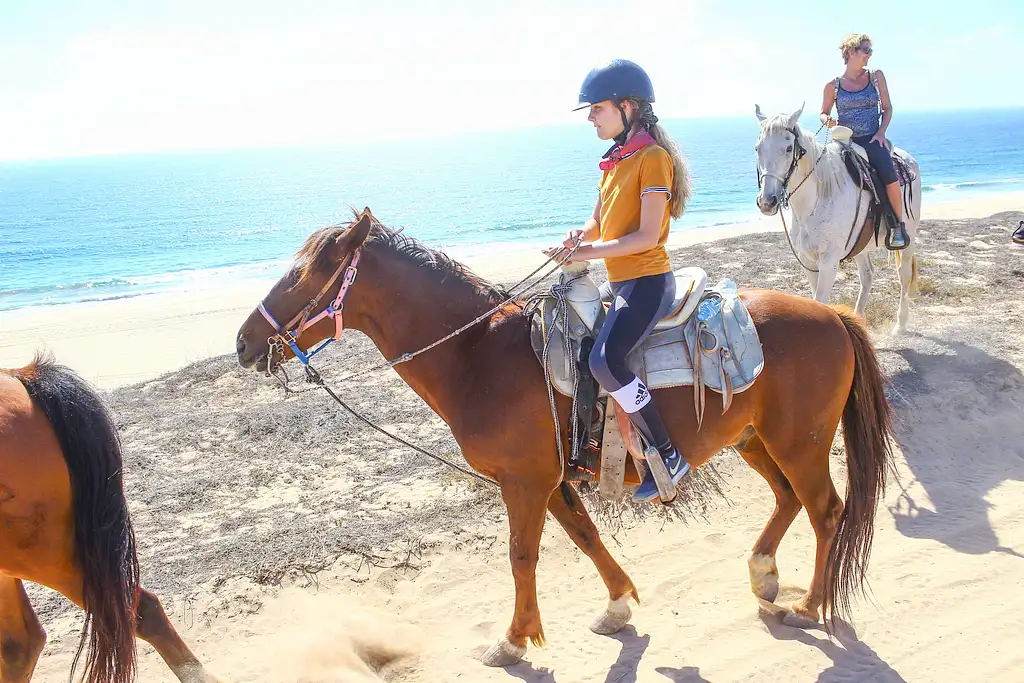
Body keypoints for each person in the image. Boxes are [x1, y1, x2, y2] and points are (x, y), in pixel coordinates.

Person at [544, 59, 692, 502]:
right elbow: (597, 223)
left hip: (646, 281)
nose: (591, 117)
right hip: (621, 280)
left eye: (596, 109)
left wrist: (586, 254)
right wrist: (577, 238)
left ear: (627, 107)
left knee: (605, 362)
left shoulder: (653, 159)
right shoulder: (615, 161)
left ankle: (668, 453)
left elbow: (646, 236)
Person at [820, 33, 910, 250]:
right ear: (852, 52)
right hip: (845, 140)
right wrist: (828, 121)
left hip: (872, 138)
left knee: (889, 174)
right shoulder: (833, 86)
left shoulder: (875, 77)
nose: (870, 55)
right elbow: (823, 112)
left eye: (870, 51)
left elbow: (887, 108)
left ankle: (897, 226)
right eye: (866, 50)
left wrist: (881, 133)